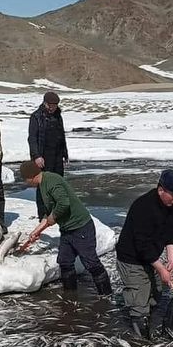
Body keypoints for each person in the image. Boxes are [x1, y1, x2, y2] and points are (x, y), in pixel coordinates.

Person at [116, 168, 173, 338]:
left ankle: (150, 324)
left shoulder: (171, 205)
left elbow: (172, 232)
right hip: (132, 259)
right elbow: (142, 246)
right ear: (161, 190)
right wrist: (161, 269)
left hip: (151, 256)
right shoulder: (143, 207)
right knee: (139, 302)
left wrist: (171, 258)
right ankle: (142, 342)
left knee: (156, 294)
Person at [19, 160, 111, 295]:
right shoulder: (43, 184)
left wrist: (51, 219)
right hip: (67, 230)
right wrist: (36, 231)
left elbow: (63, 204)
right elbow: (50, 210)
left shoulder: (51, 181)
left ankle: (106, 295)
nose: (25, 183)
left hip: (80, 227)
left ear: (30, 176)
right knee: (65, 261)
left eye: (25, 179)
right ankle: (70, 294)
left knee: (91, 263)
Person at [27, 91, 69, 220]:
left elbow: (61, 135)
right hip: (43, 157)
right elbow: (32, 138)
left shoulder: (58, 116)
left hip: (57, 155)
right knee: (43, 185)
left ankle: (57, 212)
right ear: (45, 103)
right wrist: (36, 156)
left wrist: (65, 153)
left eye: (55, 105)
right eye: (50, 105)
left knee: (57, 183)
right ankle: (43, 214)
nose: (53, 107)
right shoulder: (36, 117)